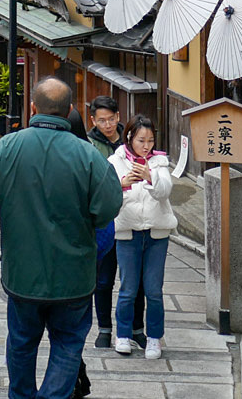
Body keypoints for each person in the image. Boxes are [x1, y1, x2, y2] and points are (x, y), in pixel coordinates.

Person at [0, 77, 123, 399]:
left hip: (23, 273)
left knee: (21, 342)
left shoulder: (9, 146)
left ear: (33, 107)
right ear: (71, 111)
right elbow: (109, 208)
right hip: (74, 277)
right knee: (67, 343)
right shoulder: (88, 156)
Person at [109, 114, 177, 359]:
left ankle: (154, 338)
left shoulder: (159, 162)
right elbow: (108, 195)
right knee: (128, 288)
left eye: (150, 140)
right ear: (129, 138)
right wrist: (123, 183)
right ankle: (123, 335)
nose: (146, 145)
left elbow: (165, 192)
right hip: (127, 232)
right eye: (141, 140)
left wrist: (151, 177)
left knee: (154, 290)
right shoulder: (116, 161)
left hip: (157, 233)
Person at [87, 95, 146, 349]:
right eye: (102, 120)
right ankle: (104, 328)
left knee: (135, 279)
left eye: (111, 119)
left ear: (119, 117)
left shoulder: (132, 141)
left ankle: (136, 327)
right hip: (105, 220)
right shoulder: (88, 145)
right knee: (103, 279)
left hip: (132, 218)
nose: (108, 125)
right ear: (93, 120)